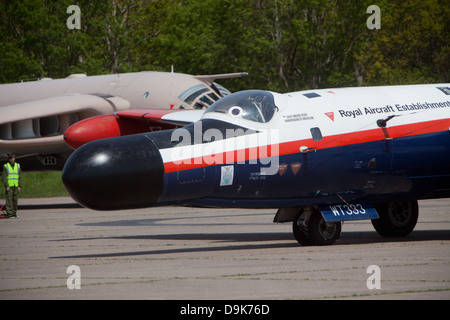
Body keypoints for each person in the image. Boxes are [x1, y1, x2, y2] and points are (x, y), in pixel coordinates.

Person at [2, 154, 22, 218]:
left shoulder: (18, 166)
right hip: (9, 186)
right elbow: (4, 177)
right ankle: (10, 214)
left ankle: (14, 213)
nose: (12, 159)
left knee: (15, 200)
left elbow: (20, 176)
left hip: (15, 185)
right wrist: (6, 185)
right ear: (9, 159)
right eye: (11, 158)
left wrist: (19, 186)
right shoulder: (6, 166)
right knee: (9, 200)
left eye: (13, 158)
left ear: (15, 158)